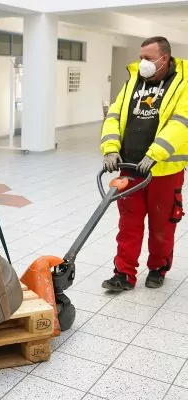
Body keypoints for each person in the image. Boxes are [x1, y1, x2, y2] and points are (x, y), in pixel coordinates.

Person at [101, 36, 188, 291]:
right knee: (129, 224)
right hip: (130, 168)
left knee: (162, 225)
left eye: (148, 59)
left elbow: (181, 123)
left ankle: (158, 268)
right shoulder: (132, 82)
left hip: (163, 170)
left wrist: (156, 152)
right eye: (141, 58)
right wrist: (109, 149)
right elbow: (114, 116)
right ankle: (124, 274)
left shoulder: (182, 83)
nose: (143, 63)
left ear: (165, 58)